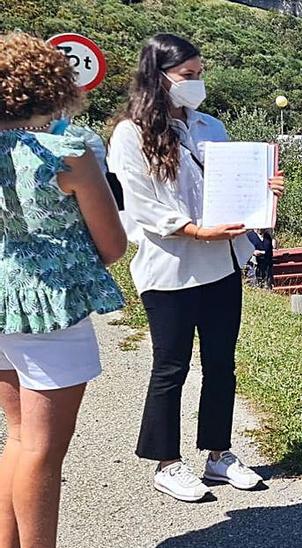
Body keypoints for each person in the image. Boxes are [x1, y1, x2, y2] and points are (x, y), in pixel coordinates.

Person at [110, 34, 285, 502]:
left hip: (223, 263)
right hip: (170, 267)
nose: (197, 83)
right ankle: (167, 463)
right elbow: (142, 204)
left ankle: (218, 453)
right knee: (171, 366)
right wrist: (192, 230)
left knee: (222, 364)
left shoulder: (210, 125)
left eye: (200, 74)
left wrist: (263, 191)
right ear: (159, 77)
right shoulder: (131, 134)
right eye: (188, 75)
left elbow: (232, 185)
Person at [0, 32, 128, 547]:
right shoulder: (67, 155)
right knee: (42, 450)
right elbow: (113, 244)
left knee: (17, 436)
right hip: (50, 308)